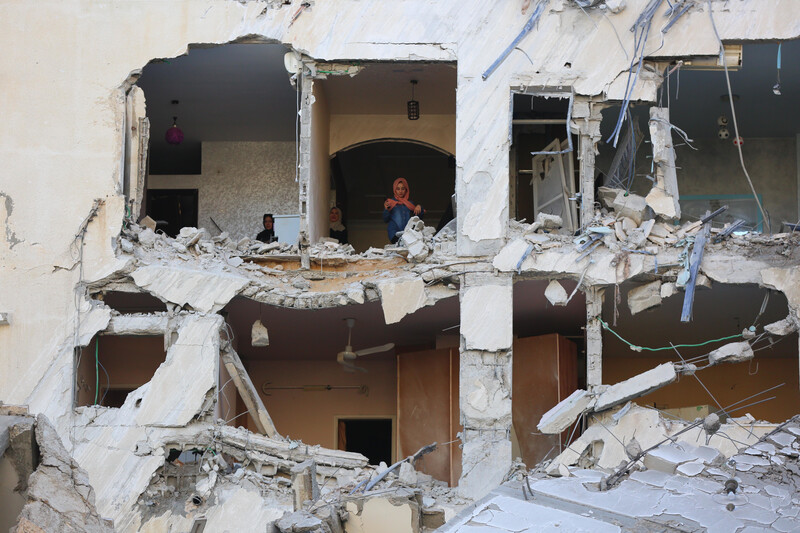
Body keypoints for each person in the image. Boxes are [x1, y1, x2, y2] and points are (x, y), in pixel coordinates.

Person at [383, 177, 424, 243]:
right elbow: (385, 219)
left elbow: (419, 217)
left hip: (407, 233)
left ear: (406, 190)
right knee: (398, 247)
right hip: (394, 233)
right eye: (398, 189)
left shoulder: (409, 203)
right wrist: (386, 209)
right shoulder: (390, 202)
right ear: (394, 190)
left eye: (403, 189)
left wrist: (419, 207)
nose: (400, 191)